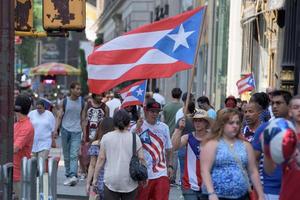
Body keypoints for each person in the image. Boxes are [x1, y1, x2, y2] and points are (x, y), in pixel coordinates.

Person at [200, 108, 264, 200]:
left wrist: (260, 194)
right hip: (217, 196)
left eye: (237, 123)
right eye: (231, 123)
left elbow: (253, 171)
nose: (235, 126)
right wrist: (211, 193)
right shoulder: (212, 144)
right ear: (222, 124)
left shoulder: (246, 145)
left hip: (242, 196)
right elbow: (205, 171)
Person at [92, 110, 145, 200]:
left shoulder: (106, 137)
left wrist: (95, 178)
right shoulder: (135, 137)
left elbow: (101, 159)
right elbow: (142, 158)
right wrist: (144, 177)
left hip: (111, 180)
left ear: (114, 123)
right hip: (130, 181)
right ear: (128, 123)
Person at [252, 90, 292, 200]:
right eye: (272, 103)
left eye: (278, 103)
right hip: (268, 191)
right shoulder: (263, 128)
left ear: (289, 105)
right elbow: (253, 160)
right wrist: (257, 189)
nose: (274, 107)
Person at [131, 99, 173, 200]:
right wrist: (137, 128)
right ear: (145, 111)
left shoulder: (164, 128)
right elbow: (130, 147)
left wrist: (170, 166)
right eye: (152, 111)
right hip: (144, 174)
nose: (155, 114)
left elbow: (169, 149)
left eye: (157, 112)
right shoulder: (136, 127)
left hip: (161, 172)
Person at [264, 95, 300, 200]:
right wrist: (267, 148)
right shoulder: (281, 136)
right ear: (290, 111)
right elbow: (269, 170)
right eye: (296, 107)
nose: (299, 110)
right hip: (288, 195)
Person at [172, 109, 212, 200]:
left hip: (207, 185)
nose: (197, 123)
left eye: (200, 121)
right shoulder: (187, 137)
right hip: (189, 185)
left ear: (206, 123)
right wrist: (179, 130)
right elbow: (174, 147)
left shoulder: (212, 138)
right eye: (195, 121)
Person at [54, 82, 85, 186]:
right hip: (65, 129)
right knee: (66, 155)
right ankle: (68, 175)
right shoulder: (65, 101)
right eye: (77, 89)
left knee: (74, 154)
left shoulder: (82, 102)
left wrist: (84, 133)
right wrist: (55, 130)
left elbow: (83, 119)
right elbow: (59, 116)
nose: (79, 91)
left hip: (76, 130)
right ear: (71, 90)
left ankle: (73, 175)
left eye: (80, 89)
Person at [80, 93, 109, 180]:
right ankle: (85, 171)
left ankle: (94, 174)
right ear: (94, 96)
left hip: (99, 134)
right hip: (88, 132)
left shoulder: (105, 107)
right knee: (83, 154)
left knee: (97, 154)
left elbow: (107, 122)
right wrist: (84, 133)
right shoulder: (87, 105)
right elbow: (83, 119)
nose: (100, 97)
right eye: (98, 95)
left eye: (101, 96)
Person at [86, 117, 115, 200]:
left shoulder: (96, 144)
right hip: (113, 180)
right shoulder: (116, 144)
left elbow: (92, 165)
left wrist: (88, 183)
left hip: (99, 181)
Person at [13, 94, 34, 198]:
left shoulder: (27, 126)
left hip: (18, 175)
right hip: (9, 171)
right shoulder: (16, 124)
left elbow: (14, 148)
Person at [163, 87, 182, 184]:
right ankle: (172, 177)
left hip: (168, 133)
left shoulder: (166, 107)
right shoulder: (183, 106)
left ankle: (166, 174)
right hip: (178, 134)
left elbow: (163, 121)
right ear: (181, 95)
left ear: (171, 94)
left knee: (167, 155)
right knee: (175, 156)